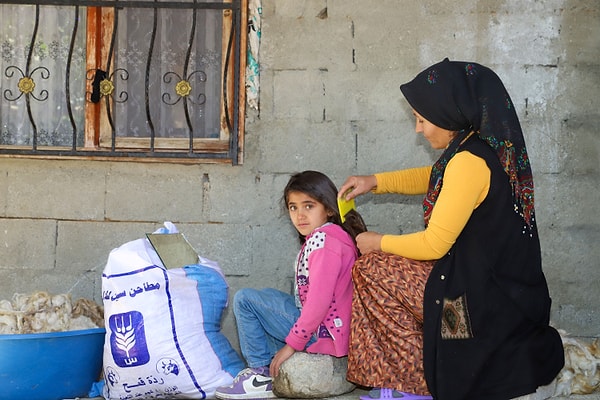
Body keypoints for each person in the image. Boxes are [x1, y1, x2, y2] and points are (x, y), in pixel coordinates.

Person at [338, 58, 565, 400]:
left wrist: (377, 243)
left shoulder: (468, 162)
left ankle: (419, 381)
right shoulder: (479, 149)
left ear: (449, 115)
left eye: (422, 120)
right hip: (502, 297)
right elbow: (433, 179)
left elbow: (434, 246)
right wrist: (375, 182)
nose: (419, 129)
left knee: (371, 270)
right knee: (384, 269)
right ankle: (415, 369)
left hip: (476, 309)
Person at [215, 170, 366, 400]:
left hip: (324, 333)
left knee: (246, 300)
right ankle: (270, 365)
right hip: (329, 329)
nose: (300, 215)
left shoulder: (324, 241)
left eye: (309, 206)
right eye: (293, 207)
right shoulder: (331, 236)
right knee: (265, 297)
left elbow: (318, 303)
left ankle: (260, 374)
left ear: (329, 208)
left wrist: (292, 345)